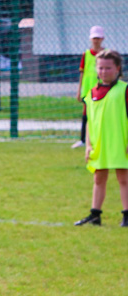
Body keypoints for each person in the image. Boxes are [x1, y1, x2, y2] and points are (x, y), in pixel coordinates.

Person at [75, 49, 128, 227]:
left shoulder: (125, 90)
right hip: (100, 144)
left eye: (108, 68)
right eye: (100, 68)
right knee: (98, 178)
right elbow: (90, 121)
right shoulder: (91, 93)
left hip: (121, 143)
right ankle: (95, 215)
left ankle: (126, 215)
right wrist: (88, 145)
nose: (103, 72)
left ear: (118, 69)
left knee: (124, 179)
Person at [73, 26, 105, 149]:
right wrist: (79, 90)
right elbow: (82, 72)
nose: (96, 40)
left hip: (102, 89)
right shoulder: (86, 54)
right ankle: (83, 140)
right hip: (88, 90)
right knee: (86, 114)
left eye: (98, 38)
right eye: (94, 38)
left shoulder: (106, 54)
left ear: (102, 39)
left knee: (101, 114)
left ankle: (100, 138)